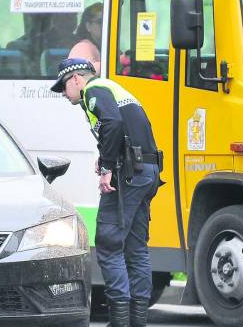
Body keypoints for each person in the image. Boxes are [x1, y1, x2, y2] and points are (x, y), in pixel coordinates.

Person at [51, 58, 160, 327]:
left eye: (64, 87)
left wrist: (108, 168)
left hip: (129, 175)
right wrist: (105, 156)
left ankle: (120, 322)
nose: (64, 94)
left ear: (76, 79)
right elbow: (125, 128)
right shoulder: (112, 88)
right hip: (146, 170)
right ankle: (137, 321)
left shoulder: (94, 90)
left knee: (110, 244)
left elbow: (112, 123)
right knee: (136, 249)